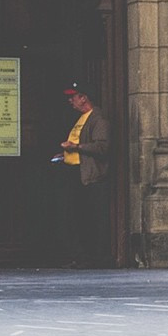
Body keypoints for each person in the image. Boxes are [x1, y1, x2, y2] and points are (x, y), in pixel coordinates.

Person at [57, 81, 113, 266]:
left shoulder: (98, 118)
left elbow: (102, 146)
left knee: (91, 217)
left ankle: (96, 258)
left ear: (84, 98)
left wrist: (76, 147)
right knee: (74, 215)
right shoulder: (81, 118)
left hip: (90, 176)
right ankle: (79, 256)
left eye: (73, 97)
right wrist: (65, 153)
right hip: (76, 173)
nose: (70, 101)